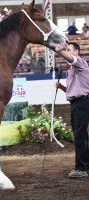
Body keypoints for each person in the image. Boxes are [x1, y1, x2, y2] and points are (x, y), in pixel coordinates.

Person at [55, 42, 89, 178]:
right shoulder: (71, 71)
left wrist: (59, 50)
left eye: (69, 50)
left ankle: (81, 168)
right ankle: (85, 166)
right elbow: (72, 91)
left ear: (76, 52)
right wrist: (61, 87)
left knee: (80, 135)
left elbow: (70, 59)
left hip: (82, 102)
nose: (66, 52)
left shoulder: (80, 63)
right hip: (77, 103)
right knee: (81, 135)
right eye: (65, 50)